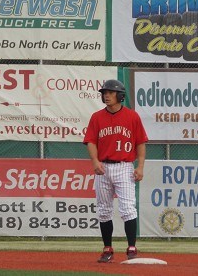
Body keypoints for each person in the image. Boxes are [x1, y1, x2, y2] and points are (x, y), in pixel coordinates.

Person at [83, 79, 148, 263]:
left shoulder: (132, 117)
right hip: (103, 167)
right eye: (105, 93)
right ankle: (107, 249)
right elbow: (91, 141)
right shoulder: (97, 117)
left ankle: (132, 247)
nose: (106, 95)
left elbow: (140, 142)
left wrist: (140, 166)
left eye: (110, 92)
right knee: (104, 210)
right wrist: (95, 161)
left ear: (120, 95)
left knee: (128, 209)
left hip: (123, 167)